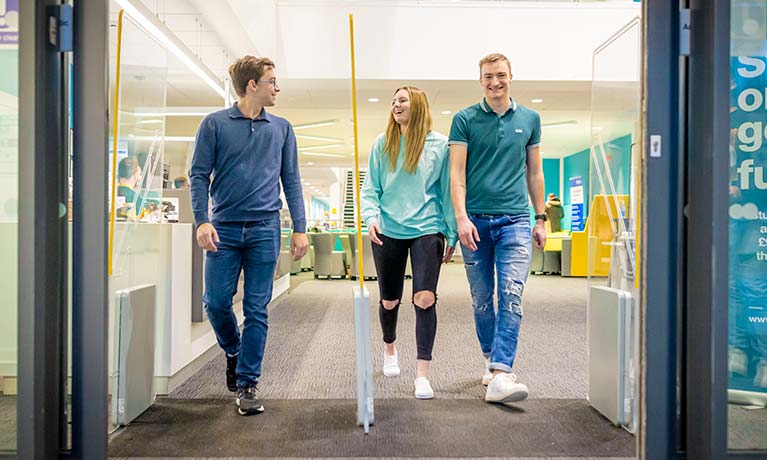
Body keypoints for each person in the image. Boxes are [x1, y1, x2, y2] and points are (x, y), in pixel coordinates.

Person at [190, 55, 308, 416]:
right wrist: (201, 220)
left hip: (264, 229)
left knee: (257, 309)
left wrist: (300, 227)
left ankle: (247, 383)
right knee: (216, 302)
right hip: (223, 228)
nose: (277, 87)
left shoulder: (282, 128)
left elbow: (291, 180)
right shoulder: (214, 125)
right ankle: (232, 349)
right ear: (252, 86)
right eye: (272, 80)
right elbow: (198, 175)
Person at [449, 53, 546, 404]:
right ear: (480, 80)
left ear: (511, 76)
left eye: (501, 75)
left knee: (511, 293)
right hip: (474, 221)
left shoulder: (530, 119)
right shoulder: (464, 119)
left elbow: (534, 172)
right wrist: (460, 218)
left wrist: (540, 216)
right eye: (488, 76)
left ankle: (502, 371)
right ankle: (492, 359)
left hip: (516, 220)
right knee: (481, 300)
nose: (495, 82)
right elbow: (456, 174)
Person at [360, 86, 457, 400]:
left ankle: (422, 374)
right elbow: (370, 189)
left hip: (428, 228)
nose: (395, 105)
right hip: (388, 229)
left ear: (418, 106)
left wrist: (451, 232)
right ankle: (390, 349)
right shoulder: (382, 143)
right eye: (393, 101)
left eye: (402, 100)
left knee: (425, 298)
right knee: (390, 300)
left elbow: (447, 192)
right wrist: (371, 217)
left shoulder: (439, 145)